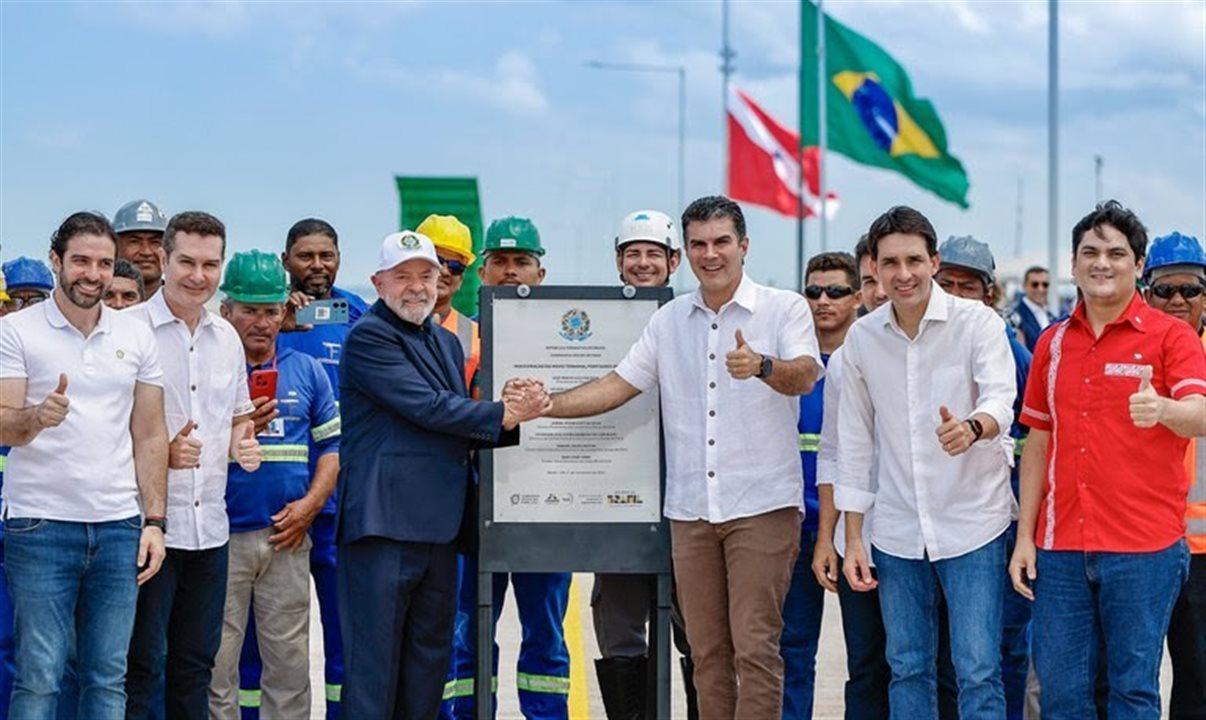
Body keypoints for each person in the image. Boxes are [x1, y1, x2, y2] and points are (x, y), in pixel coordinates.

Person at [545, 196, 822, 718]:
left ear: (744, 246)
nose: (710, 254)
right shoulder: (669, 320)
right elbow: (617, 385)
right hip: (691, 512)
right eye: (699, 244)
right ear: (687, 252)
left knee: (755, 648)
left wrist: (763, 366)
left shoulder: (783, 308)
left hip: (762, 507)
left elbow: (806, 373)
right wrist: (547, 405)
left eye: (721, 242)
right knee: (707, 653)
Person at [335, 230, 545, 718]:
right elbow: (427, 408)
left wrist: (505, 416)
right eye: (403, 276)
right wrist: (503, 415)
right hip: (382, 530)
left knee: (428, 667)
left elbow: (453, 420)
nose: (417, 287)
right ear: (378, 282)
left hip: (438, 530)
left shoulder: (448, 343)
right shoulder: (369, 337)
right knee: (374, 673)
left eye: (427, 276)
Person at [1009, 201, 1206, 720]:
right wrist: (1026, 536)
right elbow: (1037, 444)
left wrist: (1163, 409)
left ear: (1138, 266)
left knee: (1133, 693)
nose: (1102, 263)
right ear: (1072, 265)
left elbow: (1200, 413)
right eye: (1090, 252)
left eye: (1116, 253)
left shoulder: (1173, 338)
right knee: (1063, 695)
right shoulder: (1051, 345)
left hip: (1144, 549)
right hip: (1061, 549)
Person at [837, 206, 1017, 719]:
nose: (903, 274)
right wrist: (853, 538)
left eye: (914, 259)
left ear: (934, 261)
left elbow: (1002, 399)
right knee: (908, 667)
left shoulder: (978, 323)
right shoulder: (862, 340)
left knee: (978, 670)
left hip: (972, 523)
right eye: (890, 262)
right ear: (874, 266)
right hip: (895, 532)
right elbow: (854, 443)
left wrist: (972, 427)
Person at [0, 211, 168, 718]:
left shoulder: (136, 335)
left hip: (118, 528)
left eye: (101, 263)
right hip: (40, 526)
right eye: (80, 261)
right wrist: (36, 416)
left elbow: (150, 431)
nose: (92, 274)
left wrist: (154, 521)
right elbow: (4, 424)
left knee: (106, 678)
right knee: (40, 676)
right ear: (57, 262)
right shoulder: (17, 332)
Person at [123, 211, 262, 720]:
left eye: (210, 264)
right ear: (163, 259)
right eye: (186, 262)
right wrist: (162, 456)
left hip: (211, 533)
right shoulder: (129, 330)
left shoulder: (226, 336)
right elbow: (107, 427)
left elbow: (237, 417)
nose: (198, 276)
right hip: (148, 530)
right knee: (142, 666)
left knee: (196, 665)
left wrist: (243, 446)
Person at [240, 218, 366, 719]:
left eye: (326, 255)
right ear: (285, 259)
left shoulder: (359, 317)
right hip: (272, 513)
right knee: (260, 647)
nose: (317, 266)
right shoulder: (259, 322)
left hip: (340, 507)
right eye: (305, 256)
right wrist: (279, 321)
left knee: (345, 637)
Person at [449, 217, 574, 720]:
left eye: (521, 261)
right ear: (482, 271)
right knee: (467, 631)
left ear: (540, 273)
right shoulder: (460, 339)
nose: (509, 272)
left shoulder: (567, 335)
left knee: (545, 632)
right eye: (498, 261)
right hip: (476, 506)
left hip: (548, 503)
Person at [209, 251, 340, 720]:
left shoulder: (308, 370)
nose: (261, 322)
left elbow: (332, 449)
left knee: (287, 666)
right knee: (216, 666)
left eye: (270, 310)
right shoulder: (206, 370)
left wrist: (310, 505)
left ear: (285, 311)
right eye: (249, 310)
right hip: (220, 539)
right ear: (226, 312)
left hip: (287, 537)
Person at [590, 210, 694, 720]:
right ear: (618, 260)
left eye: (654, 253)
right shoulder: (599, 319)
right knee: (620, 627)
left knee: (701, 632)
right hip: (619, 498)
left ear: (674, 261)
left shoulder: (696, 317)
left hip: (689, 502)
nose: (643, 263)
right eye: (633, 253)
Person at [934, 235, 1033, 719]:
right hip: (936, 526)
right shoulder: (921, 343)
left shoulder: (1011, 354)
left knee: (1001, 651)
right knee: (946, 655)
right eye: (946, 283)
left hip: (1000, 522)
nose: (954, 294)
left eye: (966, 286)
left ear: (987, 292)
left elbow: (1034, 440)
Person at [785, 251, 859, 719]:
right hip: (794, 528)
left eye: (834, 291)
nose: (822, 301)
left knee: (874, 657)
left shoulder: (874, 356)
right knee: (791, 652)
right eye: (813, 292)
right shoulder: (791, 363)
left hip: (860, 531)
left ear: (857, 297)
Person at [1142, 231, 1206, 720]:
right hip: (1139, 546)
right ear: (1146, 291)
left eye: (1191, 289)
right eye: (1166, 289)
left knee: (1198, 678)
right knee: (1130, 678)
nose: (1179, 299)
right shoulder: (1128, 352)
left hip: (1203, 551)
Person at [112, 200, 169, 298]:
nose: (146, 251)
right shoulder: (95, 306)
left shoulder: (183, 305)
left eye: (155, 242)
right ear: (115, 248)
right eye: (134, 242)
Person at [1011, 266, 1054, 352]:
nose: (1040, 289)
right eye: (1035, 284)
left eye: (1045, 285)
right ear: (1024, 286)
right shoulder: (1014, 317)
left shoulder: (1052, 317)